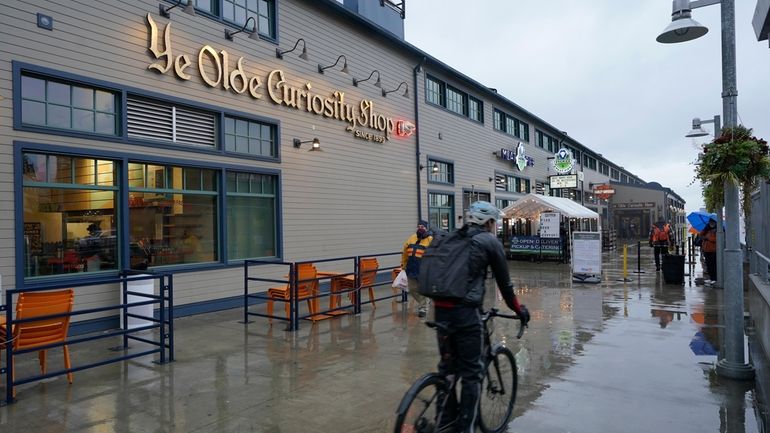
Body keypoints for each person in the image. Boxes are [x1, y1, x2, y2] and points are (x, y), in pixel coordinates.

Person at [431, 201, 530, 433]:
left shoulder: (453, 237)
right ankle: (465, 428)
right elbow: (505, 286)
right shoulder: (489, 242)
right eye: (496, 223)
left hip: (440, 310)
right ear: (490, 223)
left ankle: (444, 421)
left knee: (447, 368)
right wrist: (519, 310)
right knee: (472, 373)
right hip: (465, 313)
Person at [401, 220, 433, 317]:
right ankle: (426, 301)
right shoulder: (411, 238)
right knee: (412, 289)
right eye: (419, 226)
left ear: (426, 228)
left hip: (424, 270)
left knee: (422, 289)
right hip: (411, 268)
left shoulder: (430, 240)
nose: (420, 228)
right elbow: (405, 253)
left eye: (422, 227)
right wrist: (403, 265)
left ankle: (423, 308)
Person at [699, 218, 718, 285]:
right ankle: (711, 278)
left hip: (714, 250)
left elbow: (717, 239)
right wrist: (705, 229)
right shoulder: (707, 229)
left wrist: (708, 238)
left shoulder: (718, 230)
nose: (711, 223)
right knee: (708, 265)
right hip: (706, 250)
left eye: (712, 222)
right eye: (710, 222)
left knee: (713, 265)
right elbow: (700, 235)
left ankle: (715, 278)